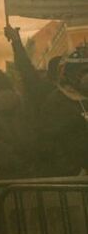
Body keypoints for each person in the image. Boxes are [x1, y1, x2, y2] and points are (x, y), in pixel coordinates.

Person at [36, 48, 88, 176]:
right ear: (73, 74)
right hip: (76, 179)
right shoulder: (57, 103)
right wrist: (74, 170)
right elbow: (50, 144)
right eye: (85, 71)